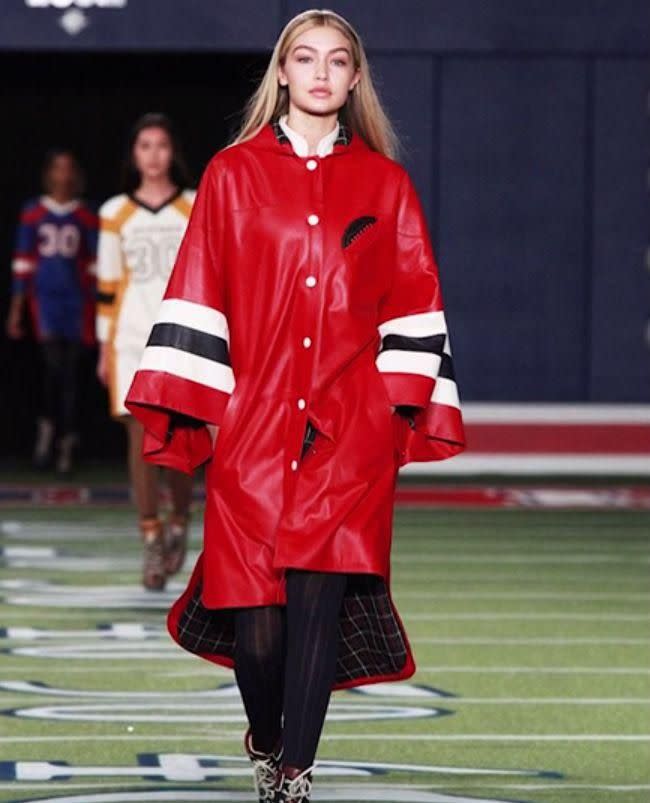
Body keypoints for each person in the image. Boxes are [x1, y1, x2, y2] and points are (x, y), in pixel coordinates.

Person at [126, 10, 465, 803]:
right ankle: (268, 737)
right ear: (281, 71)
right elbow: (200, 289)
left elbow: (414, 301)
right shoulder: (233, 174)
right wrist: (203, 409)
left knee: (317, 603)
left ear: (354, 79)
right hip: (253, 422)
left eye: (337, 61)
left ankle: (294, 776)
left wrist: (389, 411)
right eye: (304, 58)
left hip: (351, 431)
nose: (320, 73)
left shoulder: (387, 185)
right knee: (258, 625)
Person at [96, 113, 195, 591]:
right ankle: (151, 538)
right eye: (144, 146)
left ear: (172, 152)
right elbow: (108, 284)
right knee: (140, 438)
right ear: (133, 155)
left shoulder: (194, 207)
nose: (153, 155)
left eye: (161, 145)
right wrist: (103, 345)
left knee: (178, 440)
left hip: (182, 338)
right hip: (132, 337)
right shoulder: (115, 212)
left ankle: (179, 520)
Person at [6, 149, 97, 474]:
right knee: (50, 373)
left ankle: (68, 442)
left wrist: (99, 312)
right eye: (58, 168)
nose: (64, 175)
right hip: (45, 302)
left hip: (77, 305)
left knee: (71, 376)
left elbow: (94, 265)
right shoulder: (34, 212)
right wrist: (17, 310)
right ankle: (46, 434)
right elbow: (23, 263)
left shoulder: (85, 215)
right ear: (49, 173)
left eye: (69, 168)